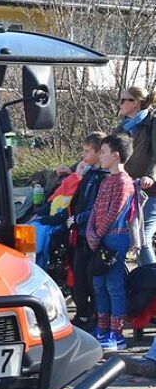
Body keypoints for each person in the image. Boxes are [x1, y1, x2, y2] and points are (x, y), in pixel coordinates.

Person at [87, 132, 137, 351]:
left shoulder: (124, 182)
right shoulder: (106, 180)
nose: (100, 155)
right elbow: (96, 209)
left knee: (114, 284)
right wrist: (91, 230)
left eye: (104, 152)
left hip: (115, 237)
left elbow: (113, 212)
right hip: (101, 237)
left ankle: (117, 334)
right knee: (99, 283)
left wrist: (96, 234)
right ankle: (102, 328)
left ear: (116, 155)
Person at [67, 132, 108, 330]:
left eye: (87, 151)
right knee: (79, 275)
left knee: (93, 279)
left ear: (99, 152)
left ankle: (93, 315)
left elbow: (95, 208)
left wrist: (77, 219)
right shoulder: (90, 175)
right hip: (81, 234)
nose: (84, 156)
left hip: (93, 236)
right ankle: (82, 313)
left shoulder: (103, 178)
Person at [117, 85, 156, 264]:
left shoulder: (152, 123)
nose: (120, 103)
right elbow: (102, 150)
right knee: (135, 242)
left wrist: (152, 176)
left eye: (125, 99)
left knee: (143, 240)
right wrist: (76, 167)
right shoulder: (123, 127)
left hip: (150, 192)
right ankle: (146, 285)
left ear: (136, 103)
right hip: (130, 191)